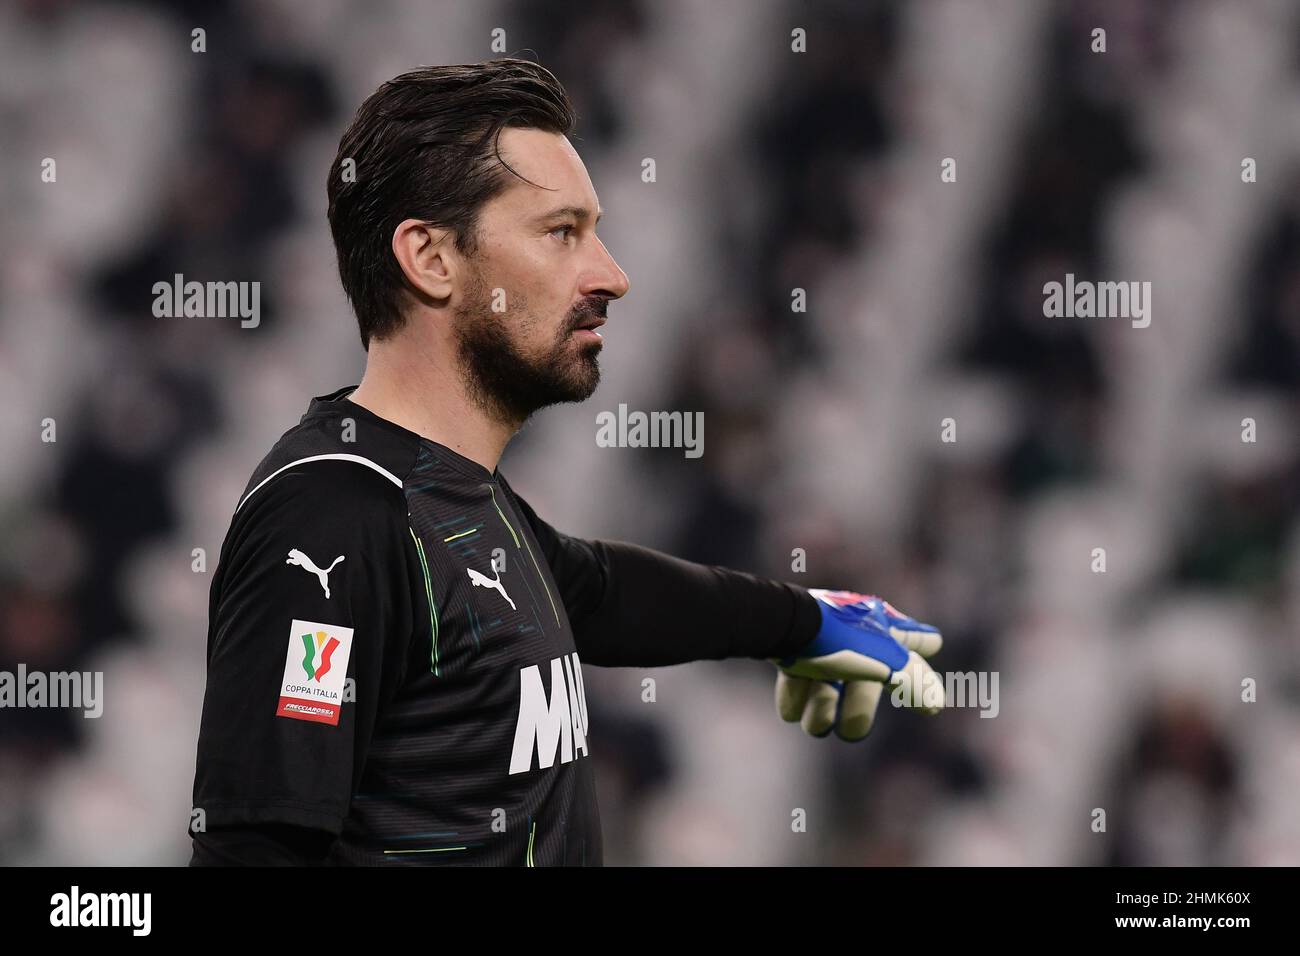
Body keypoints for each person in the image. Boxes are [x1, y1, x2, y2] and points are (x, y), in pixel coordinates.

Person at [189, 58, 944, 866]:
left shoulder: (451, 498)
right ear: (433, 259)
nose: (612, 276)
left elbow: (601, 593)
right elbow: (255, 853)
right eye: (561, 232)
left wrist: (803, 621)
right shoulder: (333, 519)